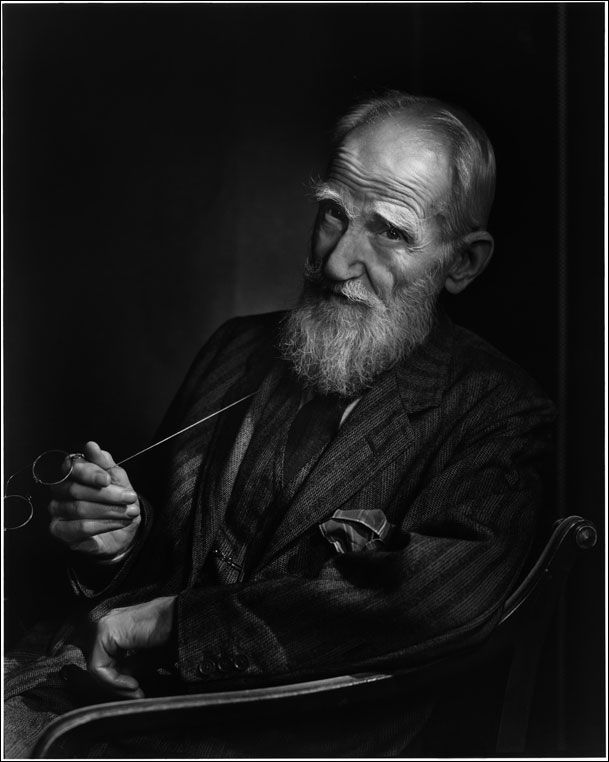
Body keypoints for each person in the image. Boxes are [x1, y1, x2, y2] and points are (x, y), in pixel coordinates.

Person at [4, 91, 555, 757]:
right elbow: (173, 561)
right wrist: (120, 541)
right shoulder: (236, 348)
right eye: (332, 214)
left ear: (461, 263)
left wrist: (170, 624)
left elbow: (432, 605)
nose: (334, 262)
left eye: (388, 231)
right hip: (109, 696)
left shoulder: (498, 412)